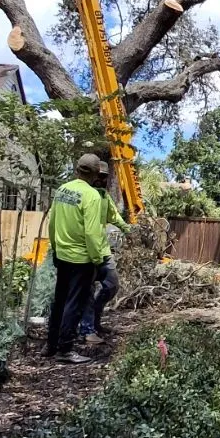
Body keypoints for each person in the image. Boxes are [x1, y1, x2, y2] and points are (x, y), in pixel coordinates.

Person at [46, 153, 108, 364]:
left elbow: (52, 223)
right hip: (81, 260)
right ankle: (65, 349)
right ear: (96, 173)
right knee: (74, 304)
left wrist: (55, 249)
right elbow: (91, 233)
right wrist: (97, 259)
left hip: (62, 255)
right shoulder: (91, 196)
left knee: (59, 301)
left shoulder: (62, 190)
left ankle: (50, 345)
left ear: (78, 169)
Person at [78, 161, 131, 344]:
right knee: (87, 291)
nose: (100, 179)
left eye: (104, 176)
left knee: (112, 285)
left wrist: (127, 229)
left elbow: (114, 216)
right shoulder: (84, 194)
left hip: (102, 250)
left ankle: (95, 320)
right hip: (85, 251)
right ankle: (87, 329)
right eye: (98, 175)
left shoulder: (103, 196)